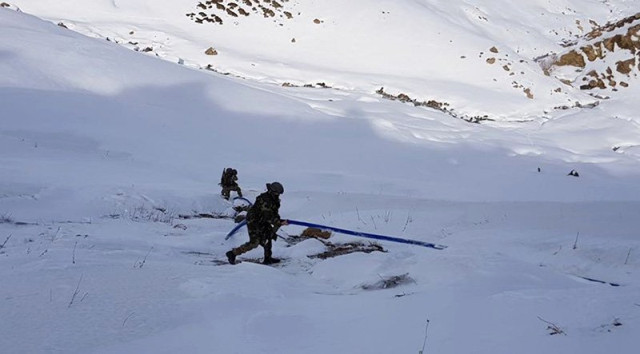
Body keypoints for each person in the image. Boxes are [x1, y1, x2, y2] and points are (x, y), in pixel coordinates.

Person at [226, 182, 288, 265]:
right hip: (254, 221)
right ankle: (233, 253)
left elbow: (273, 213)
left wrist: (278, 220)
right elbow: (268, 216)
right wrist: (278, 222)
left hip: (263, 220)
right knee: (254, 243)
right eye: (277, 193)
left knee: (268, 237)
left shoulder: (274, 199)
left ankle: (267, 258)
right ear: (272, 191)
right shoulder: (265, 200)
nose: (278, 195)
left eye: (279, 194)